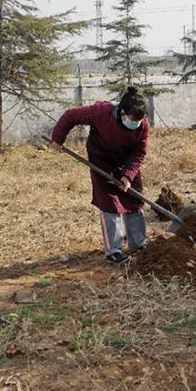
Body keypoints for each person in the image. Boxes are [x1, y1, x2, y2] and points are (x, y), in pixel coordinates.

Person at [47, 87, 150, 264]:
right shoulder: (102, 112)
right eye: (133, 120)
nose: (136, 124)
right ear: (123, 114)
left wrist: (128, 176)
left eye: (139, 121)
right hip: (101, 160)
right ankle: (113, 251)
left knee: (134, 200)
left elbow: (139, 152)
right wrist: (58, 139)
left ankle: (138, 244)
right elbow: (71, 116)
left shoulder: (143, 125)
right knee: (110, 204)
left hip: (126, 160)